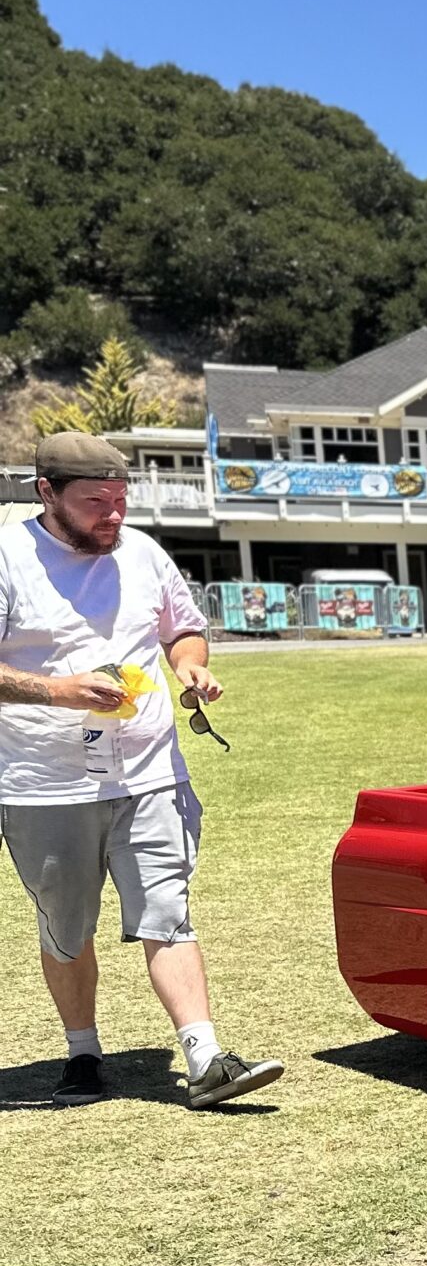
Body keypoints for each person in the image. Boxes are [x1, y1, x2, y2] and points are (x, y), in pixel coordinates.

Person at [0, 434, 283, 1108]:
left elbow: (181, 628)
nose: (113, 515)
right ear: (46, 492)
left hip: (151, 771)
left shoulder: (143, 551)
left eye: (122, 500)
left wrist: (190, 666)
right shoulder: (9, 556)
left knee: (167, 910)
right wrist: (59, 691)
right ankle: (83, 1052)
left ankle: (205, 1057)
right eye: (96, 502)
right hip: (44, 782)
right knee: (67, 927)